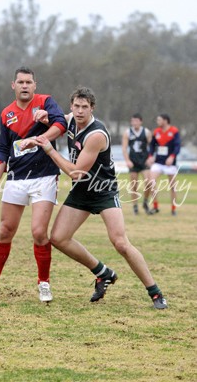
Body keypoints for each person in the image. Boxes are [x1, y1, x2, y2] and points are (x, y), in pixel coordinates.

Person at [36, 86, 167, 309]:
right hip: (81, 191)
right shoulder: (69, 120)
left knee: (120, 243)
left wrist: (50, 150)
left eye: (84, 107)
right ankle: (102, 272)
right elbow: (54, 120)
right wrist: (42, 116)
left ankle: (155, 292)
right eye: (76, 106)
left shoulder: (96, 134)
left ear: (92, 108)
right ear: (71, 106)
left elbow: (76, 172)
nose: (79, 111)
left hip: (103, 190)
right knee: (58, 238)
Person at [0, 66, 67, 303]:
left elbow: (61, 124)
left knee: (39, 232)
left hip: (44, 175)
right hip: (16, 178)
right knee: (5, 231)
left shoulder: (46, 102)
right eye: (21, 82)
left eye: (29, 82)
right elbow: (3, 148)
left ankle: (44, 283)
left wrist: (40, 138)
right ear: (13, 85)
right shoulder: (7, 113)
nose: (25, 85)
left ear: (35, 85)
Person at [147, 114, 181, 216]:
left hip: (170, 164)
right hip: (158, 162)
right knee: (151, 182)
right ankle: (156, 206)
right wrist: (150, 156)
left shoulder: (174, 131)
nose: (157, 121)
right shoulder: (156, 131)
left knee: (173, 186)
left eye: (159, 120)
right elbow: (152, 145)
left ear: (165, 121)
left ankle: (173, 208)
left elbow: (177, 146)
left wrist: (172, 156)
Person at [122, 113, 152, 215]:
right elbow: (124, 148)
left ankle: (145, 202)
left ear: (140, 121)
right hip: (133, 161)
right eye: (132, 121)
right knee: (134, 185)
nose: (134, 123)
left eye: (136, 121)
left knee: (148, 183)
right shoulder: (127, 132)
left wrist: (150, 158)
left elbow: (152, 147)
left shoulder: (146, 132)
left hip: (144, 161)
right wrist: (127, 160)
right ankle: (135, 206)